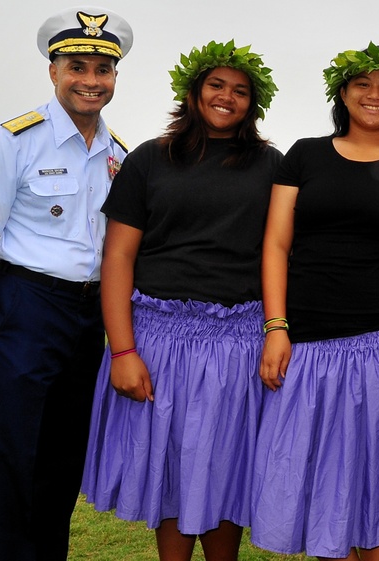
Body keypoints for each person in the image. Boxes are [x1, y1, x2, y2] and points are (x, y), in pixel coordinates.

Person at [79, 40, 280, 561]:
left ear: (252, 104)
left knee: (224, 467)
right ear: (192, 93)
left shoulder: (271, 166)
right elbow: (118, 259)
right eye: (216, 85)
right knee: (171, 467)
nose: (226, 97)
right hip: (158, 337)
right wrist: (123, 351)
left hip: (239, 338)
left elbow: (280, 252)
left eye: (240, 91)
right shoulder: (149, 159)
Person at [250, 42, 379, 561]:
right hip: (310, 348)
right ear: (342, 92)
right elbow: (275, 245)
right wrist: (276, 327)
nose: (374, 95)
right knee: (322, 485)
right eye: (362, 83)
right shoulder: (305, 154)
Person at [0, 6, 132, 560]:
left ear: (115, 78)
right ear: (53, 72)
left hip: (88, 316)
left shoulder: (120, 154)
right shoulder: (11, 141)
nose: (90, 81)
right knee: (13, 456)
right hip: (27, 305)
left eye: (102, 71)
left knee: (61, 458)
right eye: (77, 67)